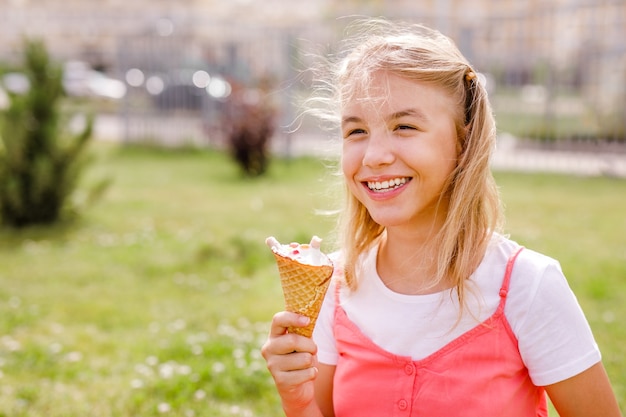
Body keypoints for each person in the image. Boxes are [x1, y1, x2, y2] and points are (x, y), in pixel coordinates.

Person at [261, 18, 622, 417]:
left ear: (463, 142)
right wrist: (297, 401)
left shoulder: (527, 286)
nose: (374, 156)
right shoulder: (336, 288)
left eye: (404, 126)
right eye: (357, 131)